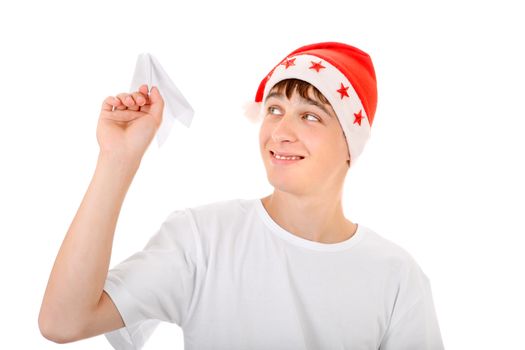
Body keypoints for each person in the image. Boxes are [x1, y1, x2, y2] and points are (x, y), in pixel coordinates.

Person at [39, 42, 445, 349]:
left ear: (350, 144)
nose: (280, 131)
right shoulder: (201, 240)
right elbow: (63, 321)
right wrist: (117, 159)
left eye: (309, 115)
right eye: (274, 109)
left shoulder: (396, 277)